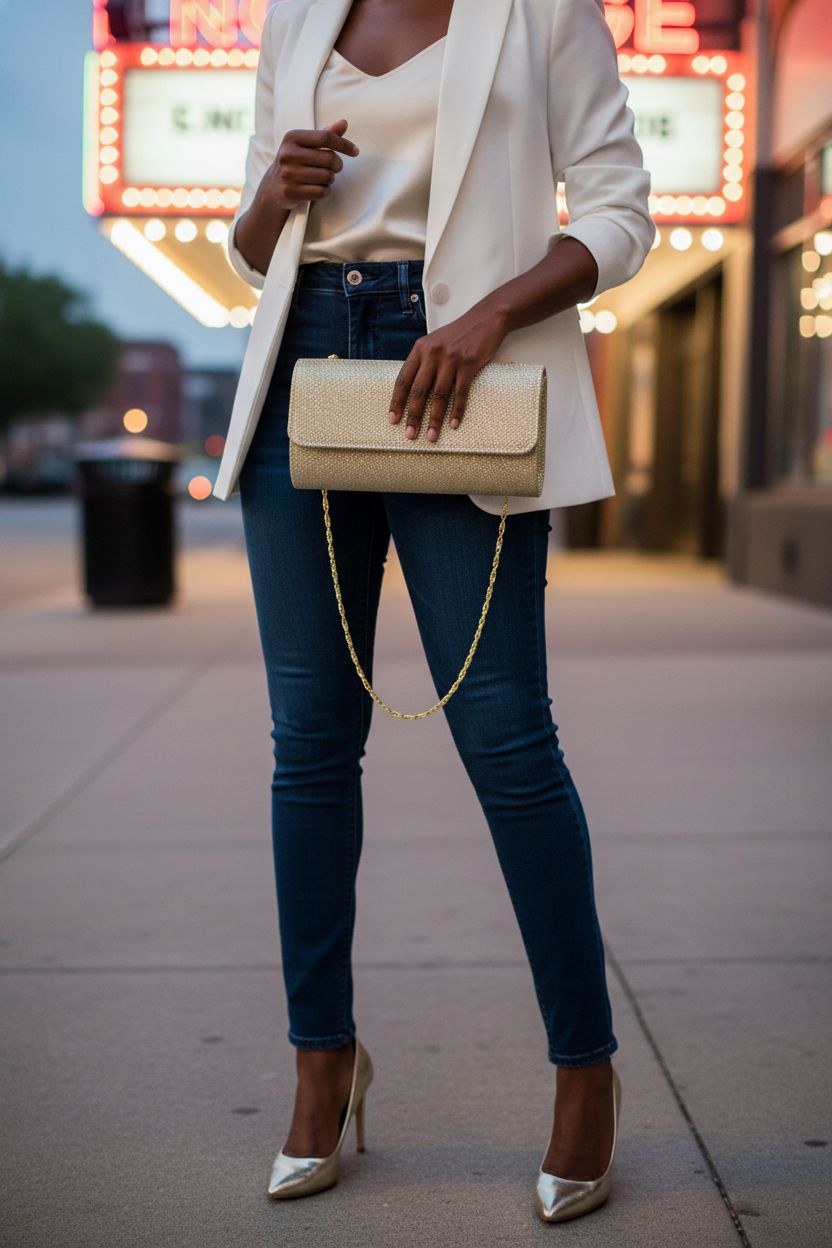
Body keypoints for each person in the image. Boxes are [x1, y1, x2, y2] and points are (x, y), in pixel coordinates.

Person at [219, 0, 654, 1223]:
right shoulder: (296, 17)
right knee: (309, 744)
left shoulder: (541, 12)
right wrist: (276, 192)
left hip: (462, 365)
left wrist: (490, 312)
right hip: (305, 360)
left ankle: (584, 1074)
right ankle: (322, 1065)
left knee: (509, 739)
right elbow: (250, 252)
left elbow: (621, 214)